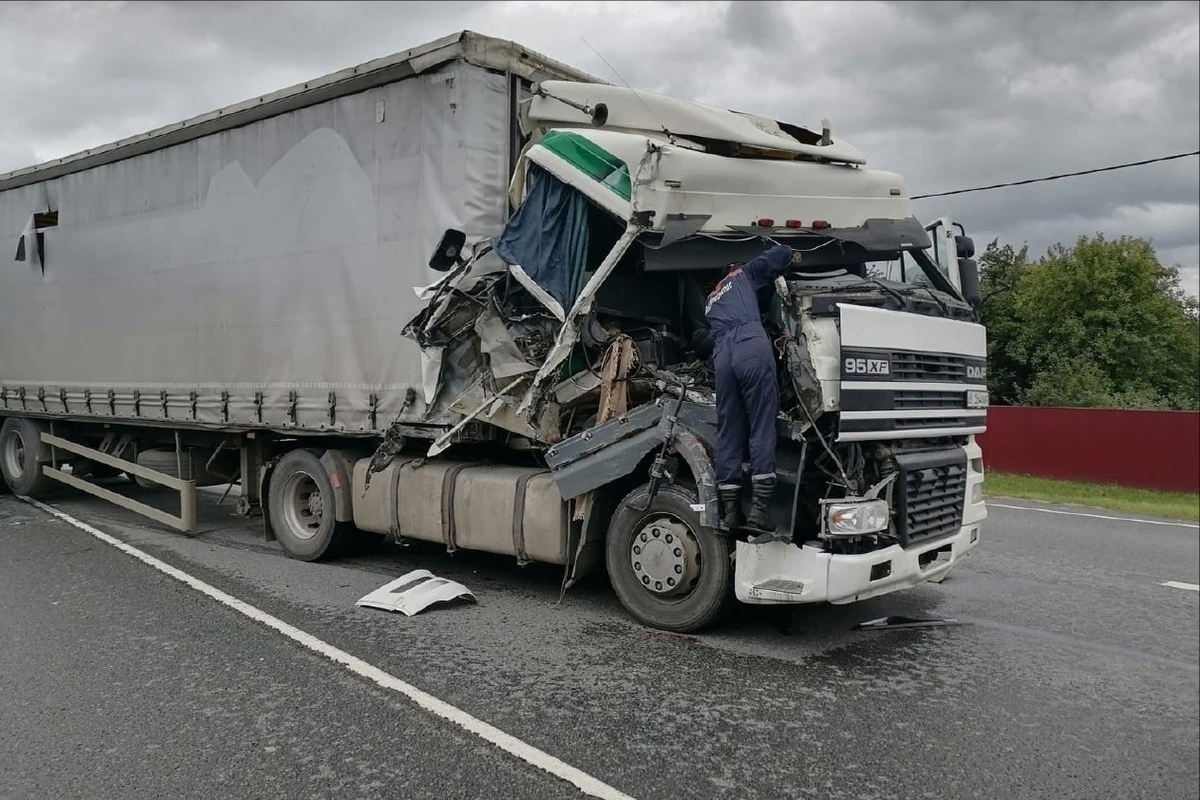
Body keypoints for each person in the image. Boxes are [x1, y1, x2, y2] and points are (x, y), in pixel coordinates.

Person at [695, 244, 797, 544]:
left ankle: (731, 512)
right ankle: (760, 512)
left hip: (723, 356)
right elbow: (775, 258)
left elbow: (704, 342)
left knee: (729, 430)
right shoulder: (742, 275)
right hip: (751, 344)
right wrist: (794, 253)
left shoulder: (712, 301)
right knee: (762, 424)